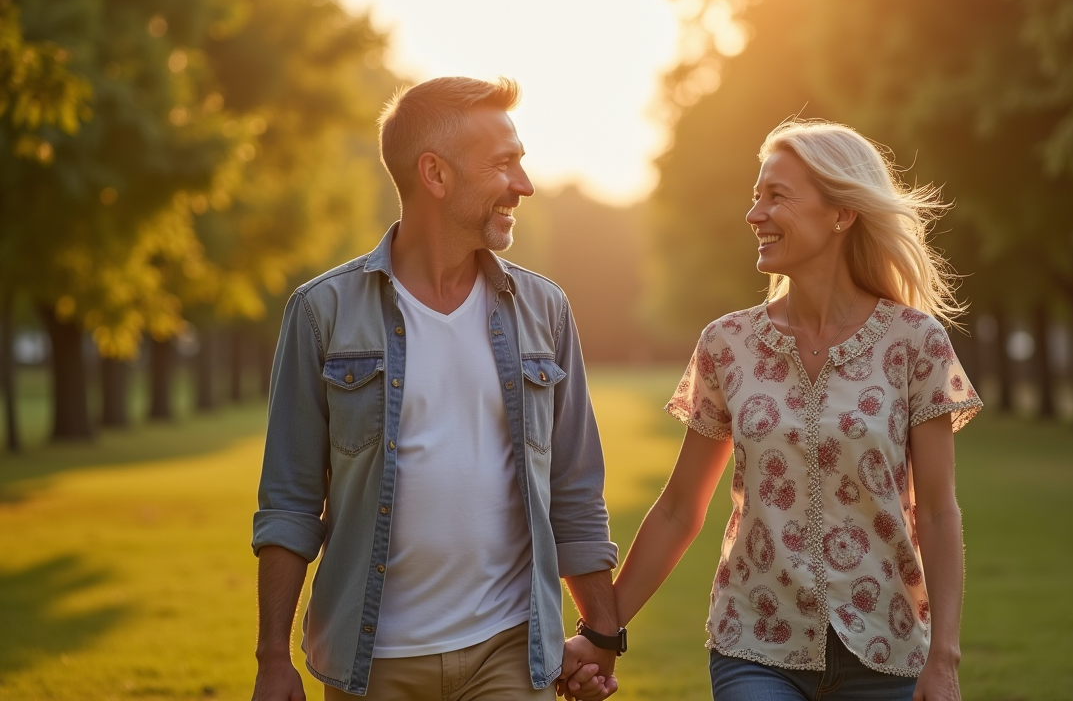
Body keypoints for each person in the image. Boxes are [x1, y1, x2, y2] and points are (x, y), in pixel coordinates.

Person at [250, 77, 624, 701]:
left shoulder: (544, 310)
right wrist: (272, 659)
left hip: (507, 650)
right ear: (436, 174)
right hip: (369, 662)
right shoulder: (323, 313)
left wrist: (602, 637)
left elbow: (575, 492)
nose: (524, 185)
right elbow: (288, 501)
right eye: (504, 164)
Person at [590, 119, 982, 701]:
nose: (754, 215)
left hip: (888, 648)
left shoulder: (914, 344)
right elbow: (679, 509)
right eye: (755, 197)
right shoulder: (727, 346)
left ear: (841, 213)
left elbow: (938, 512)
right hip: (755, 644)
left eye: (777, 197)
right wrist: (602, 633)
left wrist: (944, 658)